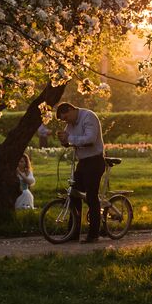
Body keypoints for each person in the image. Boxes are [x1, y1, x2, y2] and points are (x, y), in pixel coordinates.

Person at [56, 102, 105, 244]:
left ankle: (93, 235)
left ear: (71, 110)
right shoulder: (70, 124)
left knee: (91, 196)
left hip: (95, 161)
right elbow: (70, 140)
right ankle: (73, 233)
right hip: (83, 162)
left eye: (65, 118)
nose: (66, 122)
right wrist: (64, 140)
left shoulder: (88, 117)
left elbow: (90, 139)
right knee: (74, 194)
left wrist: (70, 139)